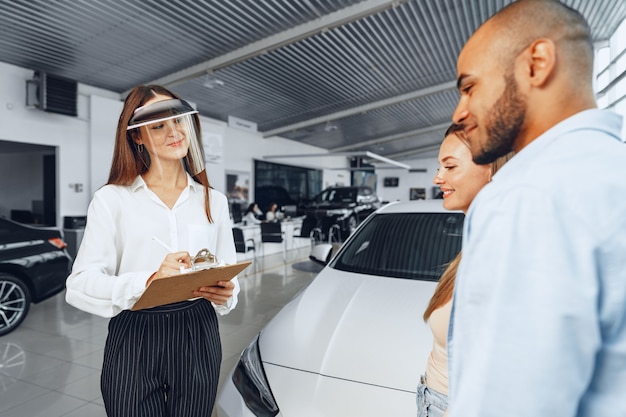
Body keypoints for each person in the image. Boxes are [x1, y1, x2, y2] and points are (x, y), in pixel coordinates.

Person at [448, 1, 626, 416]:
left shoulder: (529, 195)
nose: (459, 112)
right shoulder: (612, 170)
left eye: (469, 87)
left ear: (537, 63)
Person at [65, 84, 240, 417]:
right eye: (158, 125)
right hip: (136, 330)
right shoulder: (112, 199)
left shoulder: (213, 201)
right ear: (137, 137)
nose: (173, 131)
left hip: (197, 329)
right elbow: (79, 285)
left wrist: (227, 293)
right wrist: (148, 282)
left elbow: (227, 269)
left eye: (178, 121)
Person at [417, 124, 512, 417]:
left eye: (450, 167)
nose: (437, 178)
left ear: (491, 168)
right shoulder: (479, 240)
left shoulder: (503, 251)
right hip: (434, 397)